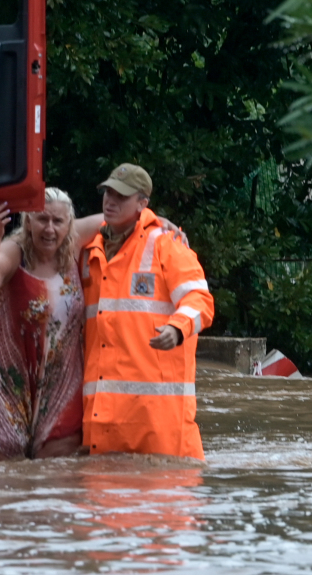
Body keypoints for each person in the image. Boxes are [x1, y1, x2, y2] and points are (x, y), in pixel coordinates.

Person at [79, 164, 214, 460]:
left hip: (160, 429)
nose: (110, 201)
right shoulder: (90, 251)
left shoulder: (168, 244)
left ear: (143, 204)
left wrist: (177, 328)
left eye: (121, 196)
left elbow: (200, 300)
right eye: (108, 193)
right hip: (102, 425)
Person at [0, 187, 85, 460]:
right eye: (42, 219)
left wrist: (162, 224)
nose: (50, 229)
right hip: (5, 370)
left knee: (57, 460)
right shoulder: (15, 250)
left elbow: (116, 217)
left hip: (59, 376)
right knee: (6, 465)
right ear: (28, 222)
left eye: (57, 221)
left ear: (69, 224)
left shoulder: (76, 247)